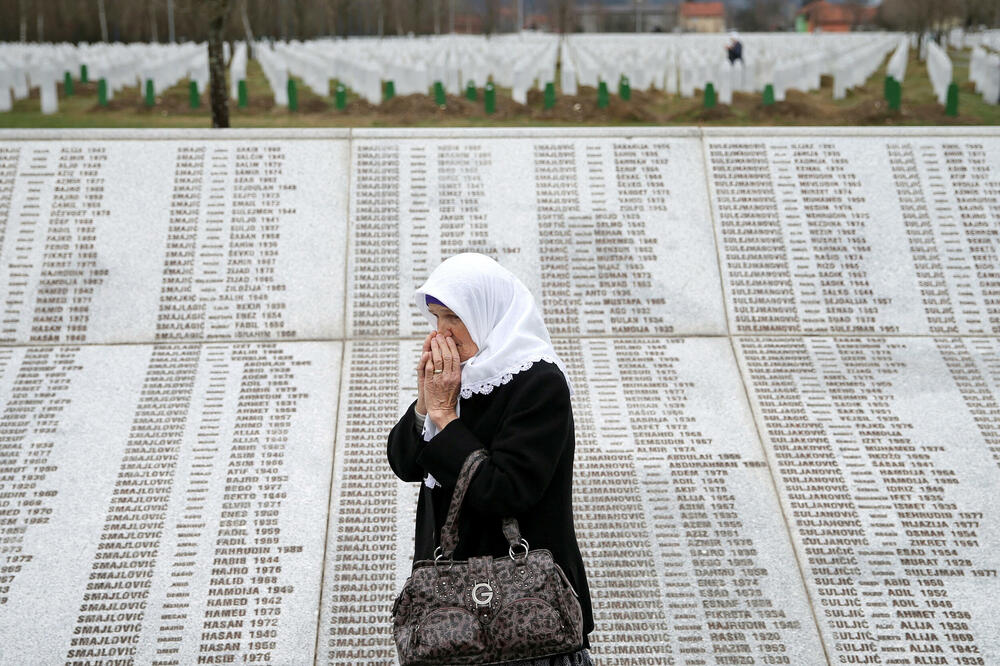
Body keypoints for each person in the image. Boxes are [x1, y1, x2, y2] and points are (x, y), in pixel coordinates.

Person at [387, 253, 595, 665]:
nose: (442, 332)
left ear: (486, 311)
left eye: (453, 317)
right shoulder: (461, 378)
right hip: (452, 620)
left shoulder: (540, 382)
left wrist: (446, 416)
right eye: (436, 318)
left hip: (528, 614)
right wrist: (426, 404)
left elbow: (506, 490)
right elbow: (406, 464)